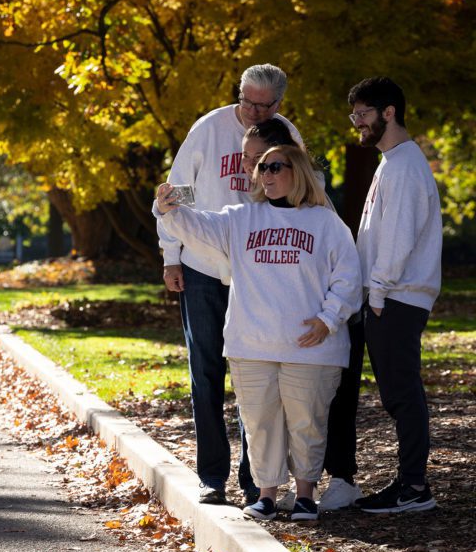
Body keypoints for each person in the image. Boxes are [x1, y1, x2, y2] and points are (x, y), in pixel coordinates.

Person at [154, 145, 362, 521]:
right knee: (259, 423)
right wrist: (168, 208)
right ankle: (265, 495)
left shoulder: (326, 223)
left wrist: (328, 320)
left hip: (311, 347)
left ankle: (304, 496)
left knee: (306, 423)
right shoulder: (241, 217)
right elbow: (196, 226)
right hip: (251, 344)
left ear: (296, 171)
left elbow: (348, 279)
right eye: (261, 168)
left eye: (274, 167)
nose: (265, 174)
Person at [158, 64, 303, 506]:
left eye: (265, 105)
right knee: (206, 372)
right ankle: (212, 477)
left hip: (258, 272)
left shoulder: (283, 132)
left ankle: (255, 480)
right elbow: (175, 194)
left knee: (254, 374)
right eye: (249, 101)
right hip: (202, 265)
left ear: (279, 103)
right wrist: (171, 256)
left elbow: (302, 195)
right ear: (238, 92)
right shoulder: (208, 129)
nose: (255, 111)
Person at [345, 77, 442, 513]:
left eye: (363, 114)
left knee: (402, 393)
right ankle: (408, 482)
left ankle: (416, 489)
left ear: (388, 112)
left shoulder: (403, 164)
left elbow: (399, 239)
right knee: (397, 393)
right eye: (354, 116)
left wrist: (379, 293)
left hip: (397, 297)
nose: (357, 124)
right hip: (390, 296)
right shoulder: (393, 160)